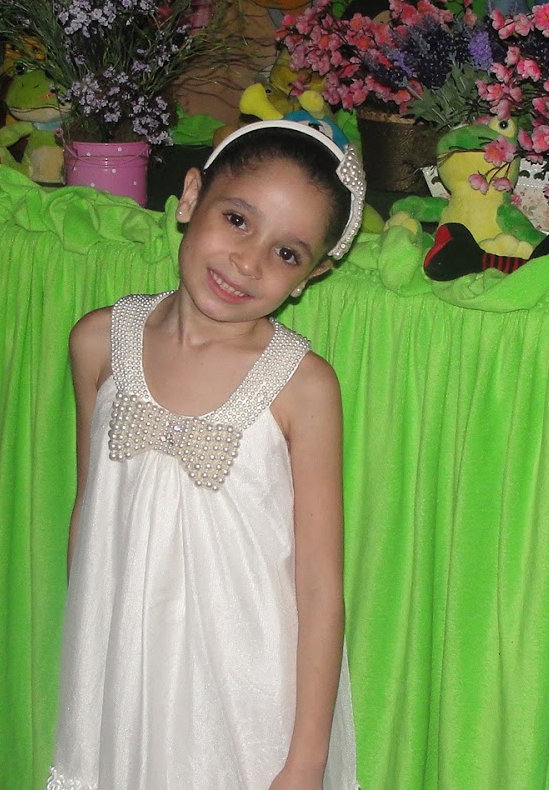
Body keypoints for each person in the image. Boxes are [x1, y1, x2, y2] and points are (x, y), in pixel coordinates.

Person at [49, 120, 364, 789]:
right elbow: (90, 516)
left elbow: (319, 587)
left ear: (313, 275)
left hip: (247, 698)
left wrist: (306, 761)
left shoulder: (304, 387)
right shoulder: (98, 343)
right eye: (238, 220)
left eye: (287, 253)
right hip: (124, 679)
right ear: (191, 196)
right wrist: (91, 665)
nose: (248, 262)